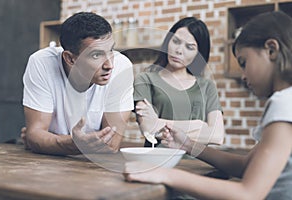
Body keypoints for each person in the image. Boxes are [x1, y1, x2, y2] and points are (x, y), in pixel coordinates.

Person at [124, 11, 292, 199]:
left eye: (243, 63)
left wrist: (165, 174)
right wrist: (189, 144)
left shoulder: (284, 104)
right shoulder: (286, 102)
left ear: (271, 50)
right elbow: (245, 165)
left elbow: (248, 194)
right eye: (176, 42)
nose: (243, 75)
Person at [22, 12, 134, 155]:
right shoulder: (42, 63)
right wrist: (41, 140)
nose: (109, 65)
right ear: (70, 58)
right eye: (96, 55)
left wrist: (51, 142)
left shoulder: (122, 67)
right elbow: (35, 136)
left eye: (111, 50)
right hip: (48, 166)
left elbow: (110, 145)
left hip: (92, 169)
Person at [134, 17, 224, 147]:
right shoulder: (145, 79)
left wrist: (158, 122)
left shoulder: (207, 86)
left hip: (196, 164)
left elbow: (217, 136)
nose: (179, 50)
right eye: (175, 41)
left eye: (189, 47)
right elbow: (148, 128)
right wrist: (199, 126)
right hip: (156, 159)